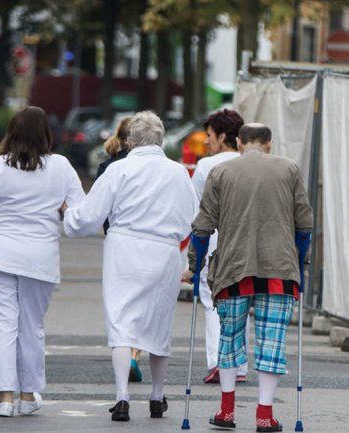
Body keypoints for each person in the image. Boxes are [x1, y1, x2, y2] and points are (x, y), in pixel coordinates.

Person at [62, 111, 197, 422]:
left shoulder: (119, 170)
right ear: (161, 139)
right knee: (159, 324)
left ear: (131, 140)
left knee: (122, 323)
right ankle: (157, 395)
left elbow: (90, 216)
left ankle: (122, 396)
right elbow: (192, 217)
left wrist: (69, 218)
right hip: (164, 250)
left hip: (124, 248)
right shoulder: (178, 173)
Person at [0, 106, 85, 417]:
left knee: (3, 326)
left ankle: (5, 399)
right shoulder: (61, 167)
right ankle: (29, 395)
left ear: (10, 131)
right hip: (40, 257)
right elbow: (78, 211)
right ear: (46, 134)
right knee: (32, 327)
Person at [191, 123, 312, 432]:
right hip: (279, 271)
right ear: (269, 143)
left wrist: (195, 265)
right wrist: (300, 263)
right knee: (272, 341)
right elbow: (304, 224)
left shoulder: (222, 173)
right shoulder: (290, 169)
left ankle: (227, 411)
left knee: (230, 339)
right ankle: (264, 414)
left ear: (240, 144)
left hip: (233, 269)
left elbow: (203, 226)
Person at [182, 109, 249, 384]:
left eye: (210, 136)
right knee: (243, 300)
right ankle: (241, 365)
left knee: (212, 301)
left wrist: (191, 260)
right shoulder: (251, 163)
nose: (206, 142)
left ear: (223, 136)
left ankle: (219, 362)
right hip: (248, 241)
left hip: (215, 241)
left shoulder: (207, 167)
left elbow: (198, 211)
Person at [94, 116, 143, 383]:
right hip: (148, 243)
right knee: (143, 304)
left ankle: (124, 358)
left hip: (117, 241)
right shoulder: (152, 166)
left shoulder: (107, 166)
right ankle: (135, 354)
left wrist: (109, 233)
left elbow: (101, 208)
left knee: (121, 305)